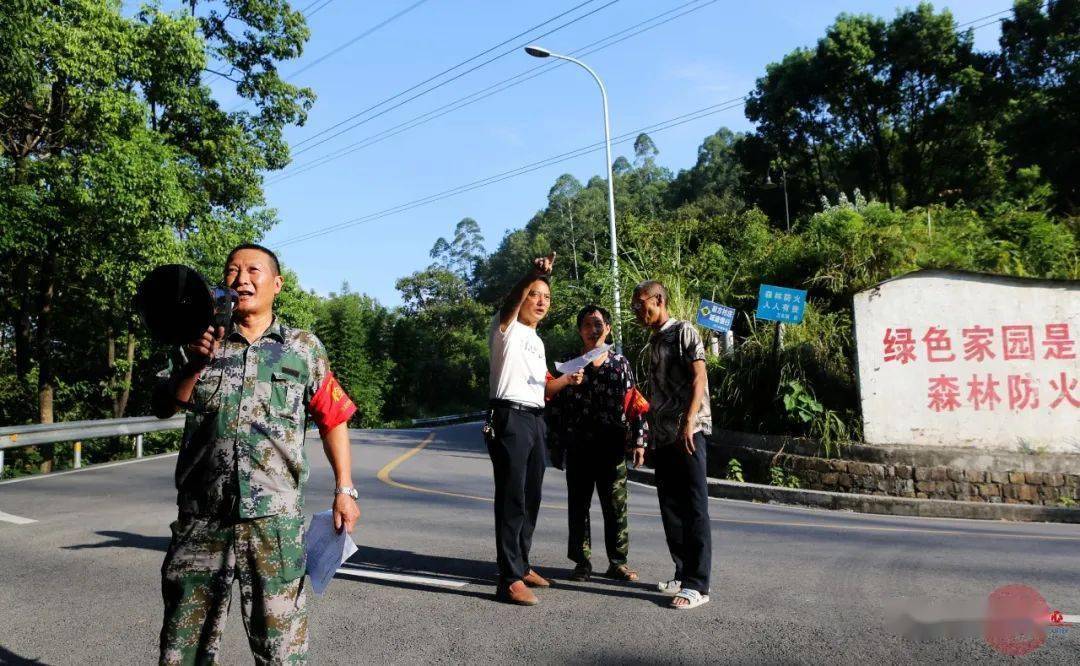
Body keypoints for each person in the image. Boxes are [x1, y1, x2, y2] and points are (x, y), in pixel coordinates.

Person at [151, 243, 361, 664]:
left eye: (253, 270)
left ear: (277, 284)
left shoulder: (302, 348)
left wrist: (345, 489)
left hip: (274, 525)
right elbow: (163, 406)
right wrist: (193, 364)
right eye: (231, 270)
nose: (241, 278)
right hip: (202, 521)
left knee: (282, 651)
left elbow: (333, 417)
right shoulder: (195, 338)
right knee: (182, 650)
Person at [485, 252, 582, 606]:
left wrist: (567, 380)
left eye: (546, 297)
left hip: (536, 418)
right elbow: (510, 301)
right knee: (511, 498)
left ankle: (522, 564)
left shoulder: (538, 342)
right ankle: (508, 578)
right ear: (522, 297)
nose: (540, 301)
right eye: (534, 294)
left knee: (531, 497)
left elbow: (544, 388)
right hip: (508, 416)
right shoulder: (504, 327)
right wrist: (531, 274)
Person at [547, 305, 649, 583]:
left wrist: (640, 440)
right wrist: (555, 444)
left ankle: (618, 562)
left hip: (612, 446)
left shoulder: (620, 364)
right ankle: (582, 562)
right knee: (578, 506)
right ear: (580, 330)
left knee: (616, 506)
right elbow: (554, 406)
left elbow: (634, 404)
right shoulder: (567, 364)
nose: (594, 330)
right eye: (588, 325)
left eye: (599, 324)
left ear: (609, 329)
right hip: (578, 446)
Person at [631, 280, 713, 610]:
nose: (638, 310)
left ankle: (698, 584)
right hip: (663, 435)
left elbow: (699, 376)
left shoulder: (684, 331)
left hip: (689, 432)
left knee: (694, 506)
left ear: (659, 300)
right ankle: (682, 572)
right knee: (670, 507)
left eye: (642, 303)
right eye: (635, 306)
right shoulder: (654, 341)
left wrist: (690, 421)